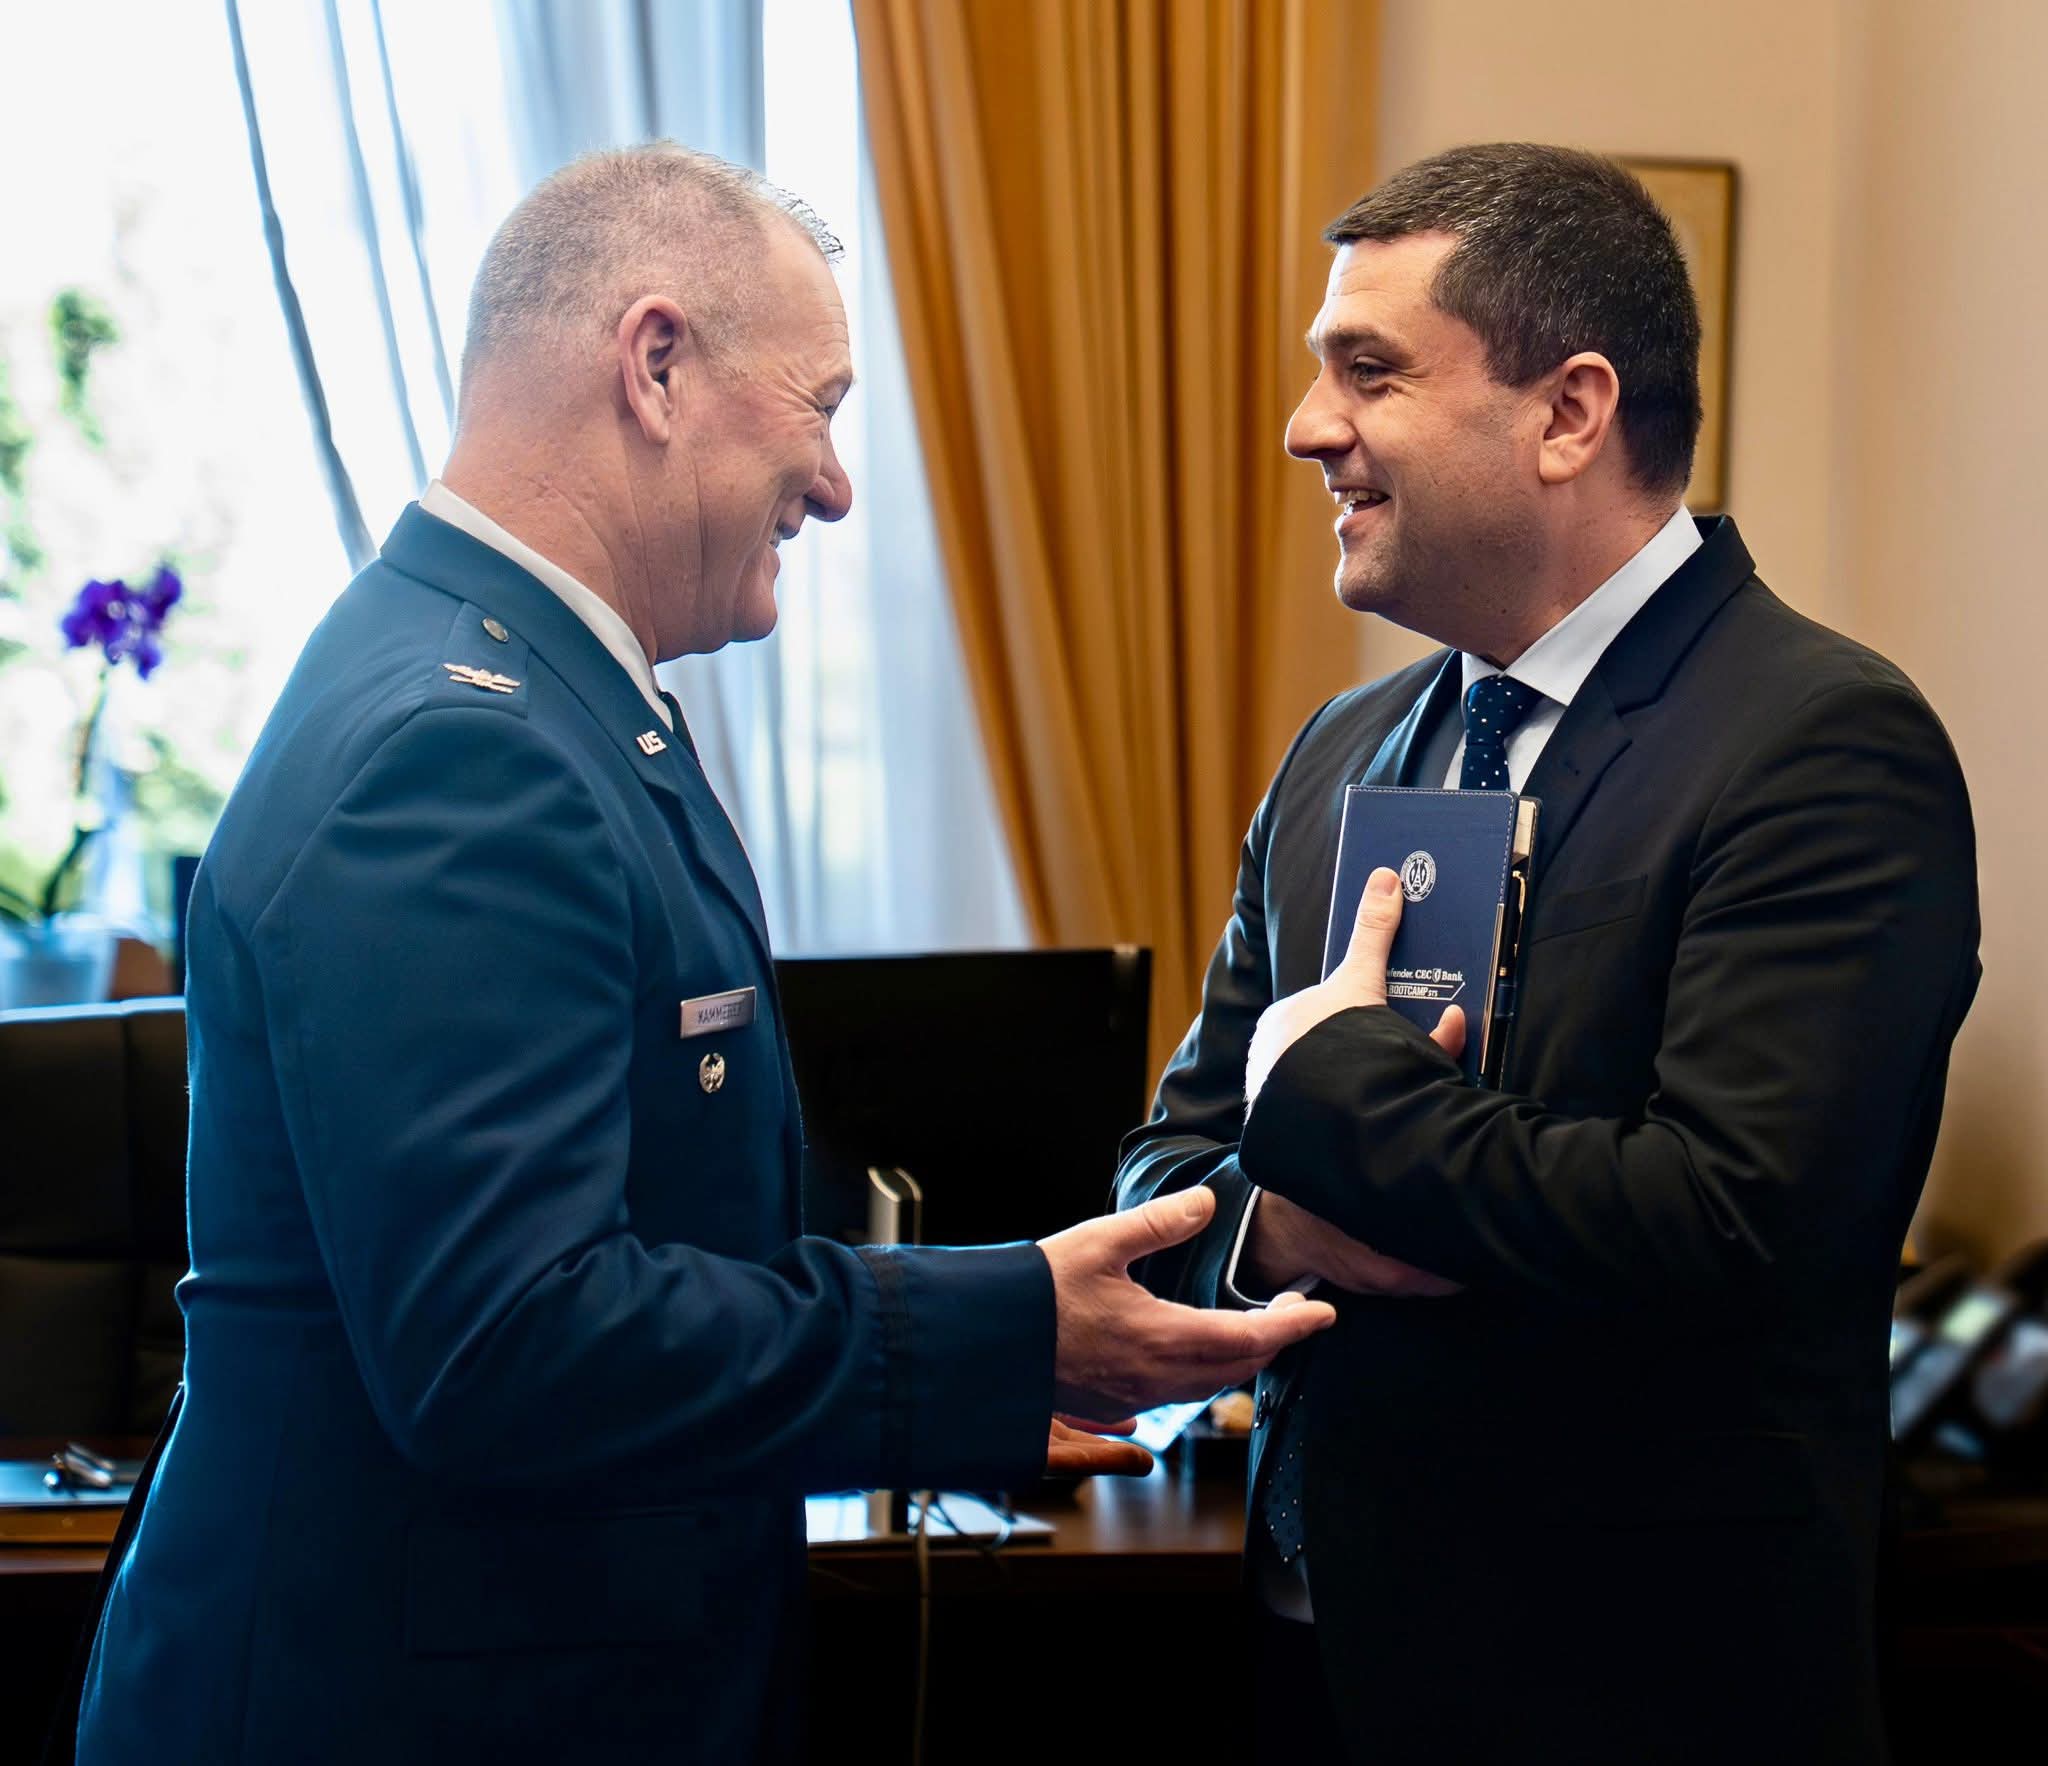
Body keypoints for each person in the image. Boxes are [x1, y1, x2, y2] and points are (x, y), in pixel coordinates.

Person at [70, 145, 1336, 1765]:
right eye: (821, 405)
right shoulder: (460, 750)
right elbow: (512, 1345)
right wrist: (1005, 1326)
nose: (836, 485)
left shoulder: (533, 692)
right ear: (655, 365)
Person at [1116, 143, 1979, 1764]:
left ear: (1570, 414)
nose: (1307, 427)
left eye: (1368, 371)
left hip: (1636, 1698)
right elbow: (1162, 1170)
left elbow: (1728, 1220)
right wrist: (1273, 1222)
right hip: (1315, 1660)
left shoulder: (1820, 743)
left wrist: (1340, 1100)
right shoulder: (1336, 753)